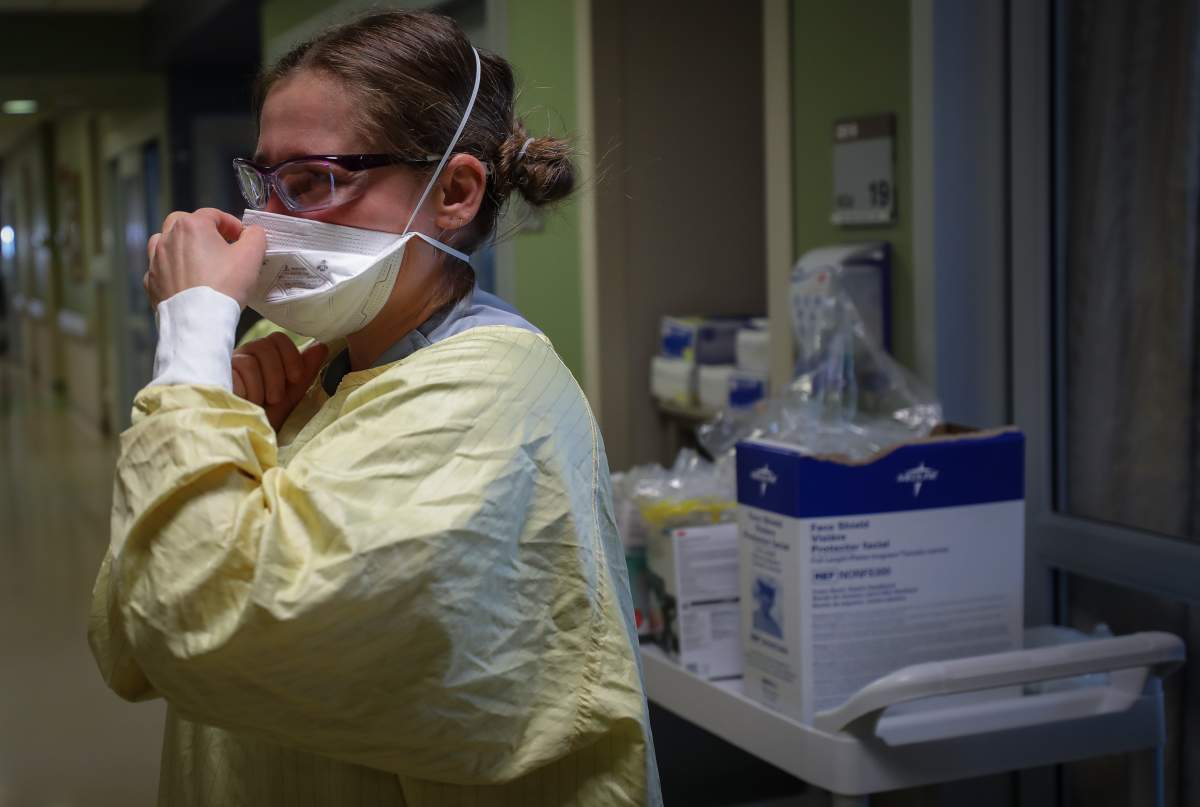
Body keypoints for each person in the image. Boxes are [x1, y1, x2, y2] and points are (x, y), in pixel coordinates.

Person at [88, 10, 661, 806]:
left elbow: (201, 628)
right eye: (265, 183)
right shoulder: (295, 359)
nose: (273, 225)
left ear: (454, 191)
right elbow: (129, 637)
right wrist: (222, 402)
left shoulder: (492, 395)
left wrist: (190, 342)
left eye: (316, 180)